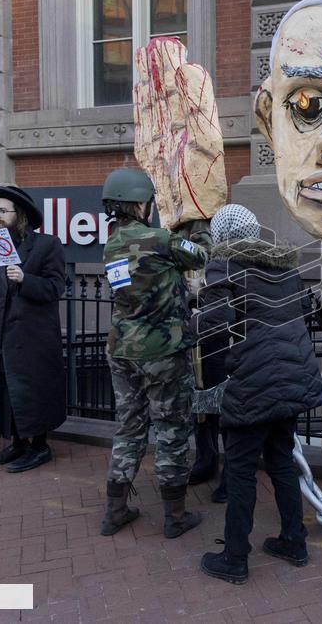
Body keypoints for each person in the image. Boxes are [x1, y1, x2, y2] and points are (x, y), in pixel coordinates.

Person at [197, 205, 322, 585]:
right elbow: (303, 313)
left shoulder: (223, 268)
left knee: (239, 472)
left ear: (221, 237)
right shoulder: (284, 269)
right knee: (281, 461)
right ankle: (293, 541)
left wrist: (197, 304)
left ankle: (235, 558)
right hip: (291, 379)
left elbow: (216, 327)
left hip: (253, 384)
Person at [98, 169, 206, 539]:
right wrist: (197, 225)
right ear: (138, 204)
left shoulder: (111, 245)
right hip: (161, 352)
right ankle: (175, 517)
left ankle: (115, 511)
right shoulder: (160, 239)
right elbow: (200, 256)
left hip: (122, 349)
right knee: (171, 429)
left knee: (129, 427)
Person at [0, 185, 66, 473]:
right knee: (7, 391)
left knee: (33, 391)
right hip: (3, 336)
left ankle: (39, 446)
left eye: (2, 211)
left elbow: (56, 287)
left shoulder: (47, 244)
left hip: (33, 337)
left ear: (21, 215)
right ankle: (17, 442)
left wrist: (25, 279)